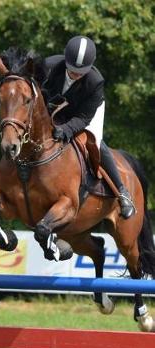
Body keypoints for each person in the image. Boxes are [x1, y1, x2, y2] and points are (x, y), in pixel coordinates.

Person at [42, 35, 135, 219]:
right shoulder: (49, 66)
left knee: (94, 141)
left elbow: (83, 118)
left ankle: (123, 191)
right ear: (65, 59)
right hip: (55, 110)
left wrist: (67, 130)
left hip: (84, 113)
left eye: (81, 71)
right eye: (72, 69)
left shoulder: (95, 81)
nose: (76, 74)